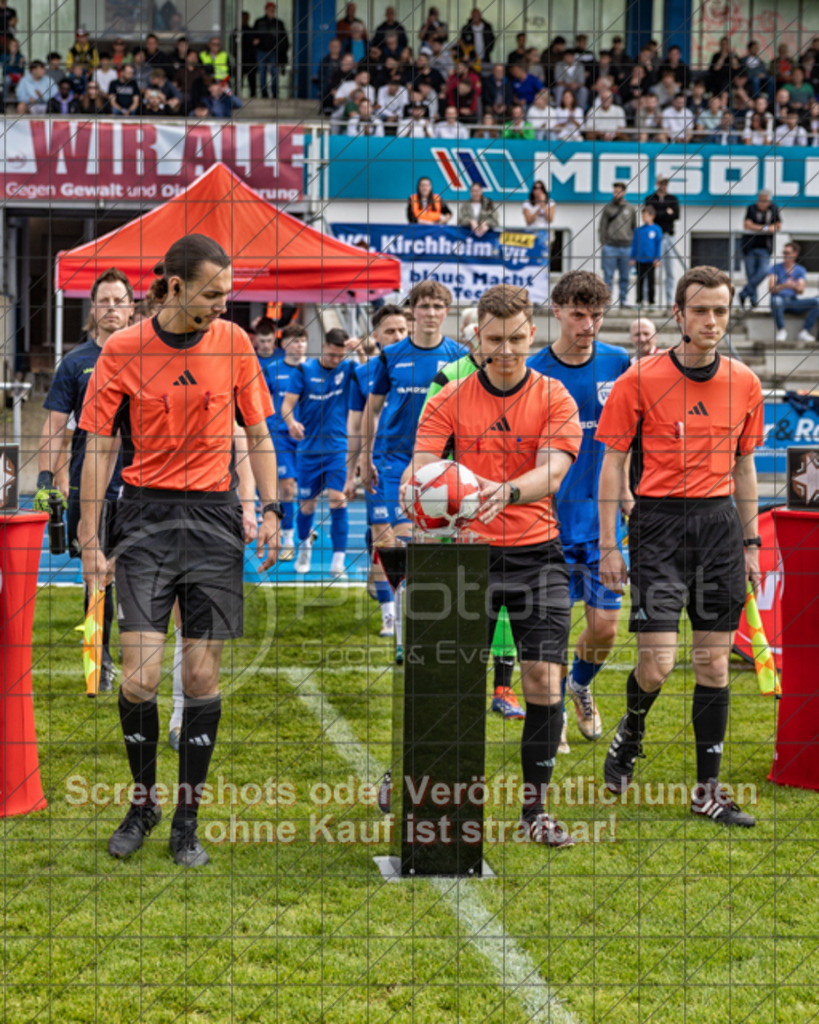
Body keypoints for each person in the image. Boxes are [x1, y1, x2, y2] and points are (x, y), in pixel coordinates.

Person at [78, 234, 280, 867]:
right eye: (212, 294)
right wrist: (89, 537)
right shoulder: (122, 347)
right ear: (171, 286)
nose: (224, 305)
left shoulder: (235, 343)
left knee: (200, 676)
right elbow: (100, 447)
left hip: (215, 518)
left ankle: (186, 819)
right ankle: (144, 804)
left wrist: (269, 508)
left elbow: (258, 431)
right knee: (138, 679)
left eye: (227, 293)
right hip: (143, 517)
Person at [407, 285, 583, 845]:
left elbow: (553, 473)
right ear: (475, 338)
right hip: (466, 555)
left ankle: (534, 814)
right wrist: (440, 498)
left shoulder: (556, 396)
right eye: (493, 341)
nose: (505, 352)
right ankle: (419, 781)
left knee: (542, 681)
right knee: (451, 684)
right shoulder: (448, 399)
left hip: (538, 555)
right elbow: (423, 470)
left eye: (515, 340)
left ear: (533, 334)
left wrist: (499, 493)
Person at [596, 265, 765, 828]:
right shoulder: (639, 379)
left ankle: (708, 791)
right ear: (679, 315)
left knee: (714, 662)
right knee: (658, 663)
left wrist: (750, 542)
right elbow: (614, 461)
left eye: (720, 310)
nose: (711, 320)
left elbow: (745, 466)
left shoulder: (745, 381)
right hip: (658, 526)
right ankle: (632, 728)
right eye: (700, 310)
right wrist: (609, 545)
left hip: (718, 527)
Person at [527, 271, 630, 751]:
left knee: (606, 629)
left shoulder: (619, 361)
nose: (588, 324)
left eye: (596, 315)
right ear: (558, 313)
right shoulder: (533, 370)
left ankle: (581, 684)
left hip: (603, 524)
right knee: (553, 629)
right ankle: (557, 715)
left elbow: (627, 440)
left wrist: (629, 491)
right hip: (547, 524)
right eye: (578, 314)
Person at [35, 269, 134, 695]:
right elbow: (54, 427)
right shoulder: (75, 363)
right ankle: (99, 658)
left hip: (141, 484)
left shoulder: (150, 355)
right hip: (89, 487)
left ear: (132, 307)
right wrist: (45, 476)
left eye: (119, 300)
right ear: (92, 309)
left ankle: (138, 660)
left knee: (136, 574)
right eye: (104, 301)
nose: (112, 308)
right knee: (95, 576)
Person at [360, 282, 462, 662]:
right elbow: (372, 409)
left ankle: (420, 628)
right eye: (424, 306)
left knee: (426, 548)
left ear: (446, 311)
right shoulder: (391, 355)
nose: (431, 313)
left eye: (438, 306)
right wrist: (364, 455)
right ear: (413, 311)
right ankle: (402, 631)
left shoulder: (459, 356)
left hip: (437, 464)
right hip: (391, 461)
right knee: (393, 547)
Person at [345, 305, 409, 636]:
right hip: (380, 464)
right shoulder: (363, 372)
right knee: (384, 542)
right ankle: (390, 615)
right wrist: (353, 466)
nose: (397, 337)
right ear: (376, 337)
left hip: (416, 463)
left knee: (407, 542)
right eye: (390, 331)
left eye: (402, 330)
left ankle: (406, 607)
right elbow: (356, 422)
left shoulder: (425, 363)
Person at [280, 329, 356, 578]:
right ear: (324, 346)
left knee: (338, 499)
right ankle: (304, 547)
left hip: (337, 448)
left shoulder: (348, 368)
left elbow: (374, 374)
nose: (336, 360)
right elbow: (287, 406)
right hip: (308, 451)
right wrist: (292, 423)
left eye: (340, 355)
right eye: (333, 355)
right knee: (307, 507)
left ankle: (338, 561)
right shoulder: (304, 371)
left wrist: (364, 351)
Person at [255, 320, 307, 560]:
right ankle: (288, 539)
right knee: (286, 487)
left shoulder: (315, 369)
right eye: (295, 341)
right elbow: (261, 404)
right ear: (284, 344)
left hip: (309, 437)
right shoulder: (272, 370)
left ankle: (305, 532)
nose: (300, 346)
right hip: (281, 436)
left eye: (304, 341)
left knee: (306, 491)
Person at [738, 190, 782, 309]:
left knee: (762, 272)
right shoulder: (751, 208)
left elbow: (777, 226)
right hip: (750, 247)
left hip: (765, 248)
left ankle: (743, 293)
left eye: (764, 200)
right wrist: (766, 228)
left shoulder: (774, 209)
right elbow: (747, 225)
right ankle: (753, 300)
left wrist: (759, 228)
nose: (761, 203)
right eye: (760, 200)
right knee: (751, 275)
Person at [768, 242, 819, 343]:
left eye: (787, 252)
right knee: (776, 301)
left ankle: (805, 332)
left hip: (793, 301)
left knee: (817, 301)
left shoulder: (800, 270)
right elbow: (771, 288)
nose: (785, 255)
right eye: (784, 252)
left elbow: (800, 290)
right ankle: (781, 330)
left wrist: (792, 286)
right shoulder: (776, 268)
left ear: (795, 254)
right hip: (779, 300)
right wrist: (785, 285)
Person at [643, 175, 681, 310]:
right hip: (652, 238)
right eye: (661, 183)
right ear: (656, 183)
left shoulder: (672, 199)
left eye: (665, 183)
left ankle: (669, 301)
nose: (663, 185)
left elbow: (676, 215)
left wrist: (659, 212)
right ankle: (649, 301)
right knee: (650, 269)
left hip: (668, 237)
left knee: (670, 271)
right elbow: (649, 215)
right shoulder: (650, 199)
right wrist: (666, 212)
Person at [599, 182, 637, 308]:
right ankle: (607, 302)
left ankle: (623, 301)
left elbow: (634, 228)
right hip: (610, 247)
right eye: (614, 191)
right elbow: (602, 227)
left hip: (626, 247)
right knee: (608, 276)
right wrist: (603, 243)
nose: (616, 194)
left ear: (624, 192)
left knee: (625, 277)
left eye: (619, 191)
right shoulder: (608, 208)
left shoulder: (630, 208)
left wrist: (634, 248)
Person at [253, 1, 289, 99]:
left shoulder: (279, 23)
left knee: (274, 74)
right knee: (262, 74)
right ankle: (264, 94)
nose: (271, 11)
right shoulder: (259, 22)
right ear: (266, 10)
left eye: (273, 10)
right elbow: (252, 35)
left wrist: (283, 53)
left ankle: (275, 94)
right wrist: (255, 41)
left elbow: (284, 39)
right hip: (261, 51)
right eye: (270, 9)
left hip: (275, 52)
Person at [630, 206, 663, 307]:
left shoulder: (656, 229)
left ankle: (651, 302)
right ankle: (639, 301)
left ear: (652, 216)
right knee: (639, 282)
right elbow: (634, 244)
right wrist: (632, 257)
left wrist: (657, 258)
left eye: (646, 216)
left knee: (651, 282)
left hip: (651, 261)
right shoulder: (638, 230)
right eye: (642, 216)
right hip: (640, 260)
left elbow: (658, 245)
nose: (644, 218)